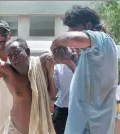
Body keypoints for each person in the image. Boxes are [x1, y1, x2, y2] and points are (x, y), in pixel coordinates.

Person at [50, 5, 118, 134]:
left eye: (73, 28)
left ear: (88, 26)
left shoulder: (102, 39)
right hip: (84, 124)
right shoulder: (89, 53)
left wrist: (55, 45)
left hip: (92, 126)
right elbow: (86, 82)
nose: (69, 31)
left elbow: (71, 38)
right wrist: (69, 59)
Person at [52, 47, 76, 134]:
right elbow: (53, 92)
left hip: (80, 109)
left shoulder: (83, 61)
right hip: (62, 108)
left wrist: (69, 62)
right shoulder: (57, 66)